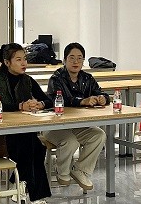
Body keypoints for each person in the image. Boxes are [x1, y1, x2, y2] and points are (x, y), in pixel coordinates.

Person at [0, 43, 53, 204]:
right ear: (7, 62)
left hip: (25, 130)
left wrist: (40, 104)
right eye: (19, 59)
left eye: (25, 59)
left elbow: (48, 100)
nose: (24, 63)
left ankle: (20, 182)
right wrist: (20, 106)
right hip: (2, 134)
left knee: (33, 144)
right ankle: (36, 197)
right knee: (35, 147)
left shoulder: (27, 80)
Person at [42, 42, 108, 191]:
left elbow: (101, 92)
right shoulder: (56, 78)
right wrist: (82, 101)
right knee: (70, 141)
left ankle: (80, 170)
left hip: (77, 125)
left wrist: (103, 98)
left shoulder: (87, 78)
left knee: (98, 135)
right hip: (54, 126)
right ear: (65, 60)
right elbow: (60, 100)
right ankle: (62, 172)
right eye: (72, 58)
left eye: (79, 58)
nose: (76, 62)